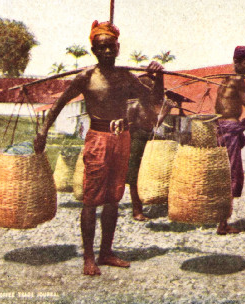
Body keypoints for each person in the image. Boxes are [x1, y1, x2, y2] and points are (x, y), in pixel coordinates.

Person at [34, 20, 164, 276]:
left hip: (122, 137)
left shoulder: (126, 77)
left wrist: (158, 77)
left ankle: (106, 252)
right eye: (101, 47)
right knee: (91, 200)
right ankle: (89, 258)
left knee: (114, 199)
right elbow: (60, 103)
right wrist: (43, 130)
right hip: (98, 139)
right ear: (94, 50)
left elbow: (155, 98)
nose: (107, 51)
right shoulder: (86, 77)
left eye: (111, 46)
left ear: (118, 48)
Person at [214, 46, 245, 235]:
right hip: (229, 131)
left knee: (225, 174)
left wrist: (241, 125)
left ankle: (221, 219)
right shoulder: (237, 81)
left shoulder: (227, 79)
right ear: (236, 63)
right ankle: (223, 224)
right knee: (232, 176)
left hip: (222, 129)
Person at [126, 74, 173, 221]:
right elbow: (128, 127)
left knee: (148, 172)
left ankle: (147, 200)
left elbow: (155, 123)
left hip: (147, 139)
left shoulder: (149, 107)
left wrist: (165, 111)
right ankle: (137, 211)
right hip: (135, 142)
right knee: (134, 177)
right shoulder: (134, 107)